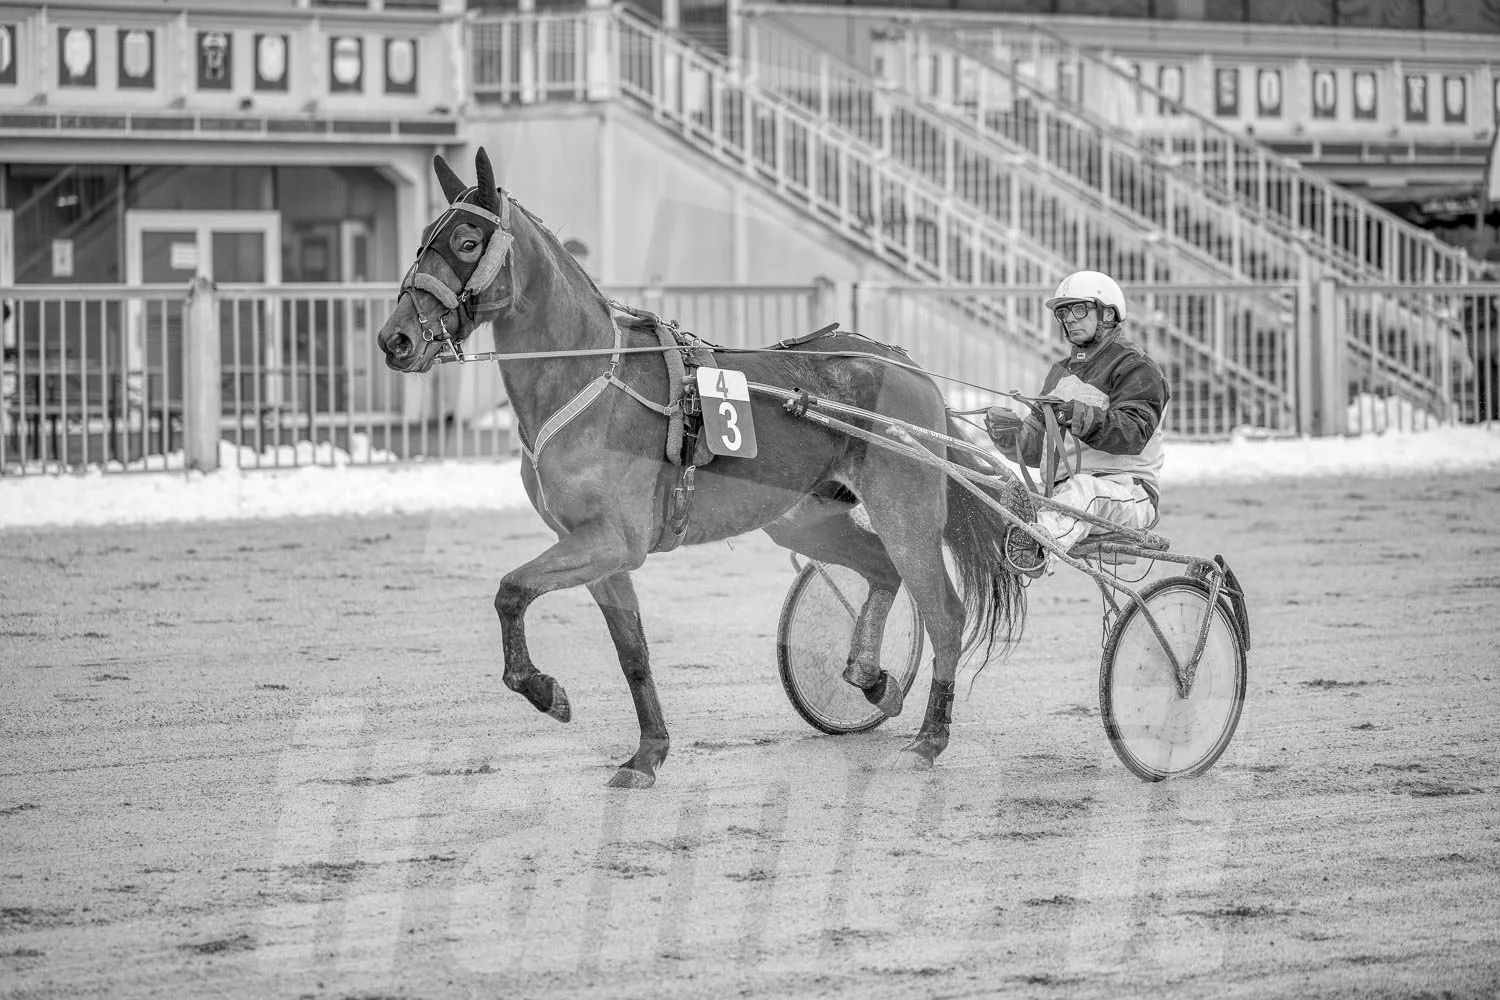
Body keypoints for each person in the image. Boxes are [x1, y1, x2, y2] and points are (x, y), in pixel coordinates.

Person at [985, 270, 1170, 576]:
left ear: (1108, 313)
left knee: (1084, 489)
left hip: (1127, 494)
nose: (1069, 318)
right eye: (1063, 312)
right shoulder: (1060, 372)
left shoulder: (1136, 367)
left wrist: (1077, 415)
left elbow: (1133, 433)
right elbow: (1038, 451)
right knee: (998, 486)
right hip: (1064, 498)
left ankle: (1036, 550)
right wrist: (1011, 436)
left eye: (1079, 309)